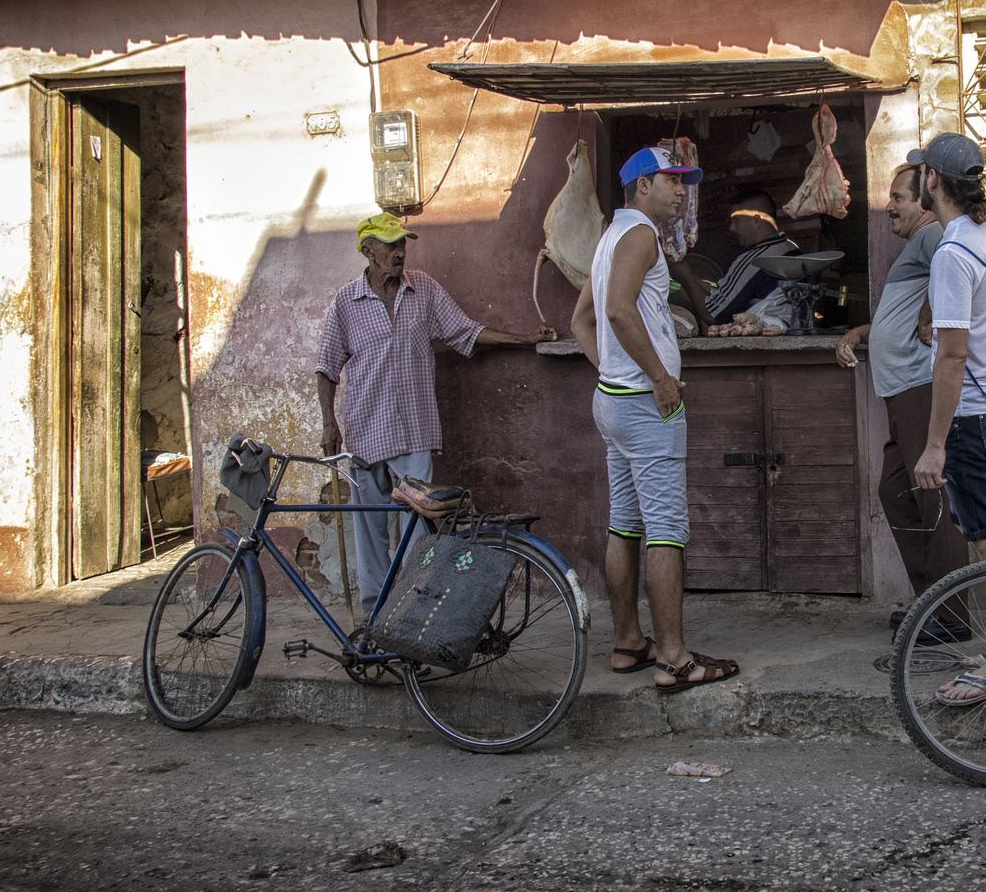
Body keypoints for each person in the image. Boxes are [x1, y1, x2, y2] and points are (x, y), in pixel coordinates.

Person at [315, 213, 547, 619]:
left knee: (416, 534)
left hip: (414, 434)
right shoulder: (346, 303)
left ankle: (410, 616)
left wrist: (525, 340)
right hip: (366, 436)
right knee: (370, 536)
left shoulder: (422, 289)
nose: (400, 251)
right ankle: (374, 618)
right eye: (390, 244)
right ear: (368, 251)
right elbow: (326, 368)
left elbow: (466, 332)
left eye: (403, 242)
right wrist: (327, 423)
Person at [571, 145, 740, 692]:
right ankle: (673, 658)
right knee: (666, 530)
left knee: (625, 524)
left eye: (683, 181)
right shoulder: (639, 233)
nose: (681, 190)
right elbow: (616, 310)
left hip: (614, 401)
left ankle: (628, 644)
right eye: (672, 180)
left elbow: (581, 321)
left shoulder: (609, 239)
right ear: (642, 185)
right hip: (645, 406)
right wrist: (658, 379)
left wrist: (613, 370)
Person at [909, 133, 986, 705]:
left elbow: (953, 356)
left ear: (932, 179)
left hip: (974, 416)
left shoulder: (954, 253)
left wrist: (934, 445)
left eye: (920, 173)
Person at [836, 164, 971, 644]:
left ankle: (951, 616)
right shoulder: (914, 245)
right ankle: (930, 602)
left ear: (924, 202)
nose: (890, 206)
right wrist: (860, 332)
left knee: (931, 497)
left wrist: (933, 313)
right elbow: (898, 317)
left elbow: (953, 271)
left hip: (919, 389)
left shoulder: (935, 234)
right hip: (901, 394)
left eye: (898, 197)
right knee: (896, 491)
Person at [677, 189, 799, 328]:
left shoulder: (755, 260)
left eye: (736, 221)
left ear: (756, 221)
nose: (731, 228)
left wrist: (684, 275)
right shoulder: (792, 249)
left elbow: (713, 314)